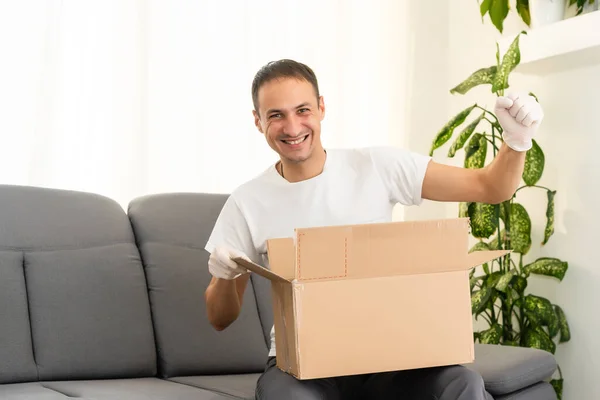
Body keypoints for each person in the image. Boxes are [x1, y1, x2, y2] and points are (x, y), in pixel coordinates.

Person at [203, 59, 543, 400]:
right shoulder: (248, 201)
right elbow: (220, 318)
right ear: (257, 121)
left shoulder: (377, 167)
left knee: (462, 385)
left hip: (389, 356)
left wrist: (516, 142)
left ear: (321, 107)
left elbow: (490, 188)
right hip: (301, 367)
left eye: (302, 110)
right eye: (276, 115)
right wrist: (224, 276)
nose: (292, 127)